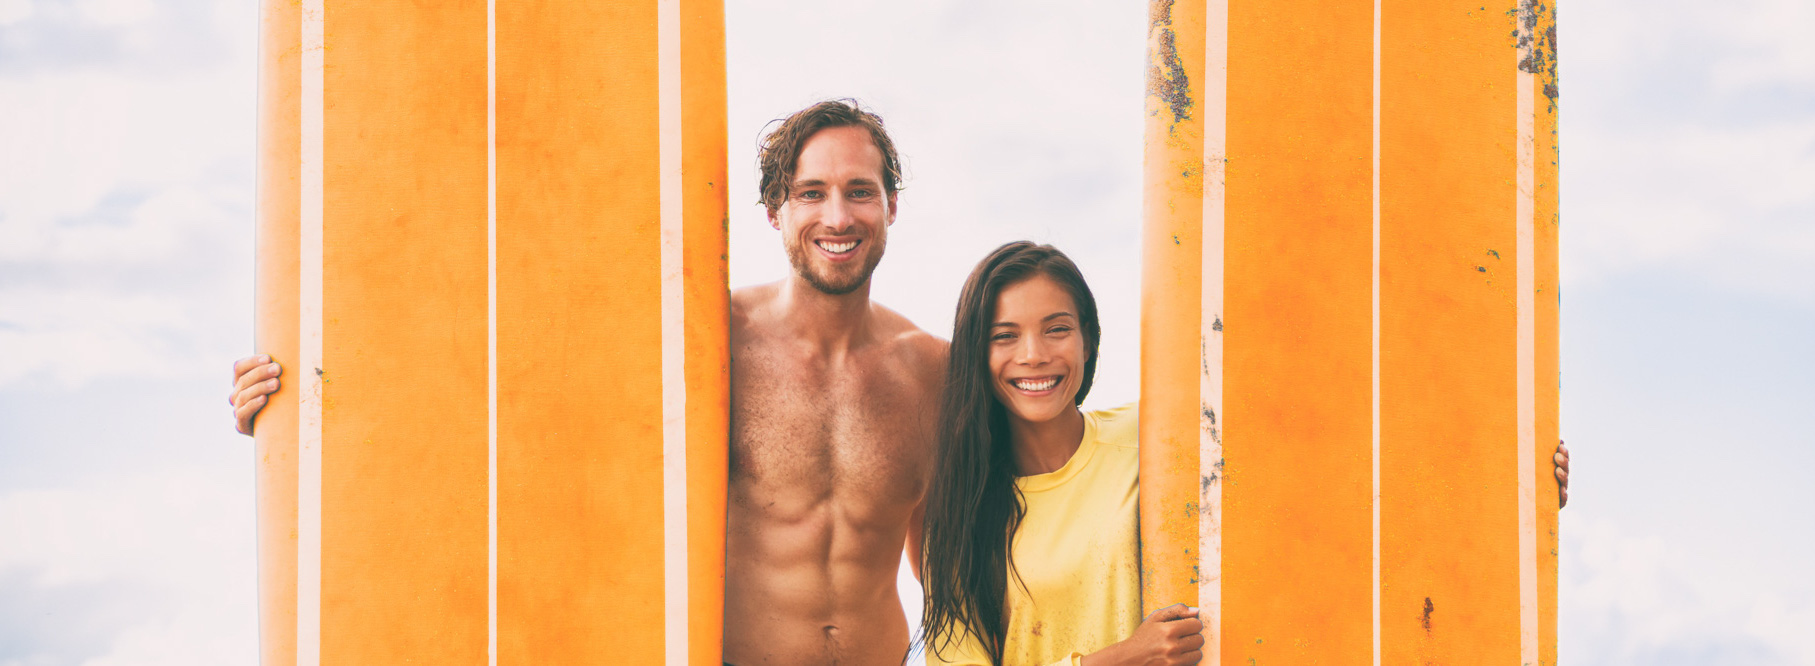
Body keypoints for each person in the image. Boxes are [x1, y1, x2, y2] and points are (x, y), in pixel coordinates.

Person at [230, 100, 949, 665]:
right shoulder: (710, 341)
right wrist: (296, 403)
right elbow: (494, 386)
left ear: (890, 206)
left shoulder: (932, 372)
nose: (836, 216)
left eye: (859, 192)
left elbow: (951, 559)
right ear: (774, 212)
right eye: (810, 193)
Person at [916, 242, 1575, 666]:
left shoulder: (1160, 432)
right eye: (1005, 336)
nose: (1034, 355)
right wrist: (1119, 659)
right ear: (978, 352)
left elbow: (1334, 452)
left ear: (1087, 340)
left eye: (1056, 329)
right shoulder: (962, 520)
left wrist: (1506, 470)